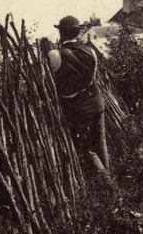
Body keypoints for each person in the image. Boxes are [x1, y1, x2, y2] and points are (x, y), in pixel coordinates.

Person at [47, 15, 112, 180]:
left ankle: (107, 184)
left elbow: (50, 81)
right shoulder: (91, 51)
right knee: (100, 141)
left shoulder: (55, 55)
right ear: (77, 33)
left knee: (86, 148)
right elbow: (92, 76)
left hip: (77, 108)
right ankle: (108, 176)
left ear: (61, 33)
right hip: (97, 102)